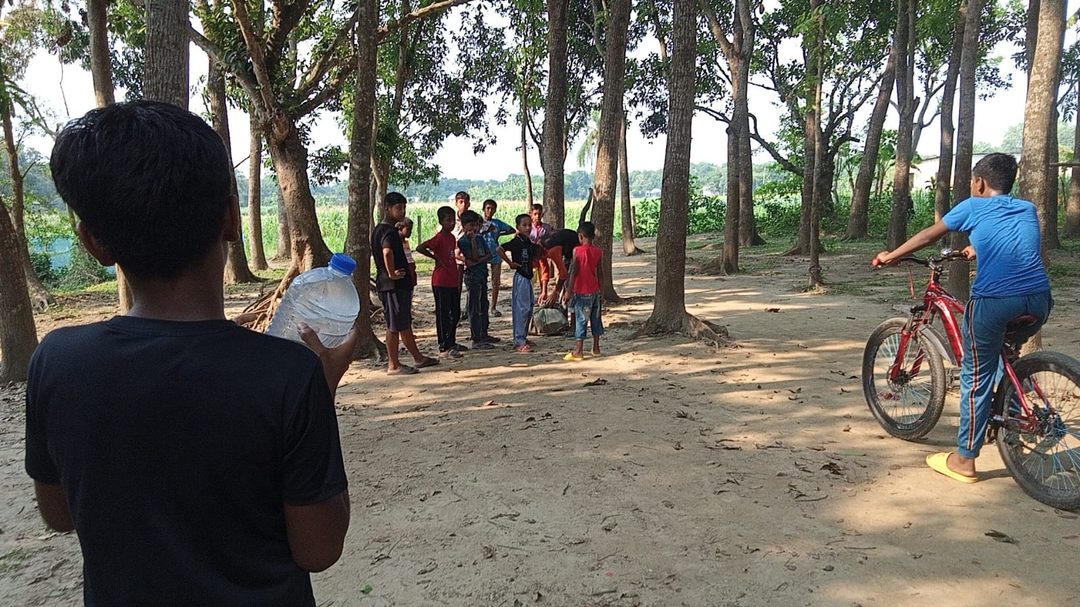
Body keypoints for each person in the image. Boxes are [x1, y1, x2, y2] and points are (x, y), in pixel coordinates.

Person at [26, 101, 353, 605]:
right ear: (230, 218)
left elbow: (59, 514)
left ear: (94, 242)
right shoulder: (286, 374)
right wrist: (320, 392)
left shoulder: (58, 361)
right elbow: (319, 548)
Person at [873, 153, 1052, 484]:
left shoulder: (973, 206)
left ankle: (965, 460)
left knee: (975, 376)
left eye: (972, 181)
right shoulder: (1026, 209)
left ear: (979, 183)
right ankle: (1014, 423)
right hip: (1039, 300)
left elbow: (930, 235)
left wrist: (891, 256)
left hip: (995, 303)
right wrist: (977, 249)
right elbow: (1016, 244)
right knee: (1006, 358)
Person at [372, 192, 439, 375]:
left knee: (403, 323)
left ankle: (418, 358)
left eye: (404, 208)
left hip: (396, 285)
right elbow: (387, 252)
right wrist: (392, 273)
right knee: (394, 325)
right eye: (398, 208)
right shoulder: (388, 232)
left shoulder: (383, 230)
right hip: (392, 285)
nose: (402, 211)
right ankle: (393, 365)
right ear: (387, 208)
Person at [416, 206, 463, 359]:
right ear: (441, 221)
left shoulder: (452, 238)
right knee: (443, 314)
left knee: (455, 312)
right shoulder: (439, 238)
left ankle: (451, 341)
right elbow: (421, 247)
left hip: (452, 279)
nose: (451, 224)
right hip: (441, 281)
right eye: (448, 220)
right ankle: (444, 345)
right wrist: (435, 258)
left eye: (453, 220)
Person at [498, 214, 541, 353]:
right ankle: (519, 340)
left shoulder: (528, 242)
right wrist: (510, 263)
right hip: (521, 277)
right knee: (521, 309)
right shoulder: (516, 242)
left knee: (529, 307)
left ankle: (523, 336)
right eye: (524, 225)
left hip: (528, 277)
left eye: (529, 225)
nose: (528, 228)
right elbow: (499, 249)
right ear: (518, 227)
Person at [563, 221, 605, 361]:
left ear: (581, 236)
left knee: (581, 320)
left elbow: (574, 271)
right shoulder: (598, 252)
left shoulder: (577, 251)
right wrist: (602, 291)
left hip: (582, 292)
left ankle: (579, 350)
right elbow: (600, 273)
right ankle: (596, 347)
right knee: (596, 319)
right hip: (595, 291)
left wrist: (568, 291)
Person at [457, 210, 499, 349]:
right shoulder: (463, 241)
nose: (474, 228)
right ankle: (476, 337)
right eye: (471, 225)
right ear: (464, 226)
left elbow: (489, 255)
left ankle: (484, 333)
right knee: (474, 306)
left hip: (482, 274)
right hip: (472, 277)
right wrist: (473, 242)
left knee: (483, 304)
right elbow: (473, 256)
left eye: (476, 225)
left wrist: (477, 261)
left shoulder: (480, 238)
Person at [481, 198, 515, 316]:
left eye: (492, 209)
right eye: (488, 208)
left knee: (496, 283)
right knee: (481, 281)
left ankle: (493, 307)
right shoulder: (479, 222)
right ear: (483, 209)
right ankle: (482, 305)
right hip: (482, 254)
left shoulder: (497, 223)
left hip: (495, 254)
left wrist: (500, 233)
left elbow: (511, 230)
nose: (490, 211)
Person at [539, 227, 581, 306]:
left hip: (576, 246)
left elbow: (563, 274)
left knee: (571, 280)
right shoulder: (539, 251)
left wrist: (555, 292)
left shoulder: (552, 251)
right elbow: (545, 271)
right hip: (566, 250)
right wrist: (544, 292)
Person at [529, 204, 555, 303]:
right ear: (531, 214)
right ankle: (529, 295)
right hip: (531, 255)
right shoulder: (528, 227)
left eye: (539, 214)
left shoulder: (547, 227)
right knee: (530, 275)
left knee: (544, 272)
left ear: (542, 214)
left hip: (542, 254)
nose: (537, 216)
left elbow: (551, 238)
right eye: (535, 214)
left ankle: (543, 292)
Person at [398, 217, 417, 288]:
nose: (410, 232)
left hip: (410, 269)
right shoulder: (397, 243)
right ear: (400, 228)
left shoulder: (406, 242)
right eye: (408, 229)